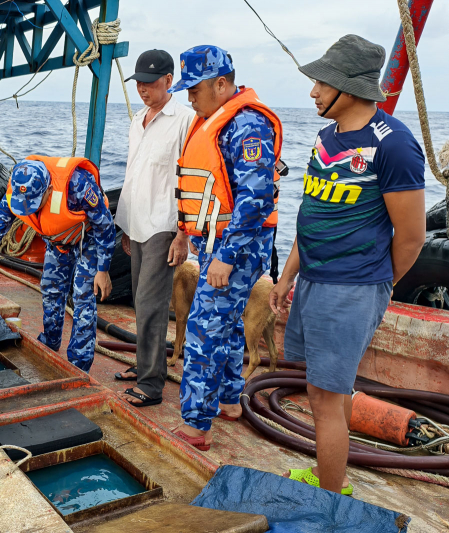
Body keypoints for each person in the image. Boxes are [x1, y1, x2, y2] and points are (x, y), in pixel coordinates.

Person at [269, 35, 426, 495]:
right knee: (314, 391)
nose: (314, 91)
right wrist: (287, 275)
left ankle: (329, 497)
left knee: (326, 398)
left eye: (323, 82)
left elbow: (412, 236)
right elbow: (313, 211)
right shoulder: (325, 137)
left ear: (351, 89)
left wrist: (378, 284)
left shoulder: (393, 145)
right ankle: (326, 477)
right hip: (313, 281)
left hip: (350, 290)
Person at [168, 46, 282, 450]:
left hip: (235, 250)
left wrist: (225, 258)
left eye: (195, 89)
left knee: (203, 331)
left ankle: (194, 428)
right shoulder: (214, 120)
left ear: (221, 84)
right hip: (217, 244)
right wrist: (185, 234)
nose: (189, 98)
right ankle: (231, 401)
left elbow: (254, 200)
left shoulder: (246, 125)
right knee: (230, 326)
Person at [0, 157, 115, 372]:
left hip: (87, 239)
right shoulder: (16, 190)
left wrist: (103, 269)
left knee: (83, 297)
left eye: (33, 203)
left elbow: (105, 226)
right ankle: (50, 342)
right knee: (51, 290)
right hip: (57, 241)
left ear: (49, 190)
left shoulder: (79, 184)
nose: (27, 209)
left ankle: (78, 366)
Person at [113, 49, 195, 407]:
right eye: (139, 83)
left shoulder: (185, 120)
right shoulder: (137, 119)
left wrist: (183, 232)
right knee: (138, 301)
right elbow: (133, 175)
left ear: (168, 80)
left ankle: (151, 384)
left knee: (151, 303)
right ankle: (143, 363)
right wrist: (125, 226)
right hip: (136, 221)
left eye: (150, 83)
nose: (143, 89)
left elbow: (189, 180)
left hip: (164, 222)